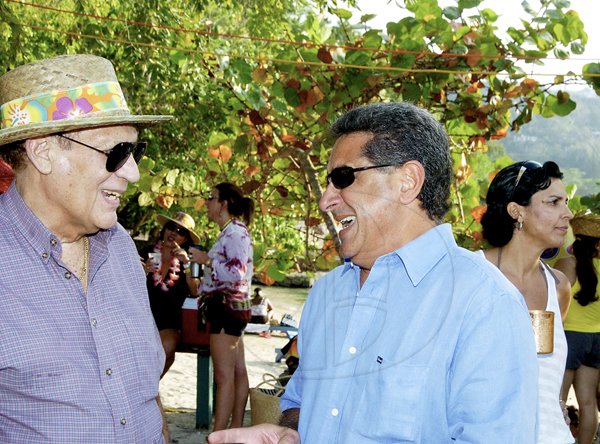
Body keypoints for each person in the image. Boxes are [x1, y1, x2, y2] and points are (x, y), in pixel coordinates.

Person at [208, 102, 539, 444]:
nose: (325, 200)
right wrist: (289, 432)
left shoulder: (483, 303)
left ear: (407, 181)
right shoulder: (327, 293)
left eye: (342, 178)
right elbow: (301, 401)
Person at [0, 54, 172, 442]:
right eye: (116, 153)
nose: (132, 173)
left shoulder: (123, 250)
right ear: (42, 153)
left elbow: (144, 397)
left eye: (135, 152)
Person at [479, 160, 574, 443]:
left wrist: (552, 405)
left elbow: (543, 371)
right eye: (554, 202)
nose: (568, 213)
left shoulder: (558, 287)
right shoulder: (471, 276)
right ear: (516, 211)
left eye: (566, 203)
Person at [189, 182, 254, 431]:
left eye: (211, 197)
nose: (207, 202)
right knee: (237, 372)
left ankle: (218, 435)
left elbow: (237, 272)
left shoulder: (234, 233)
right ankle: (234, 429)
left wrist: (206, 260)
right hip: (234, 309)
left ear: (223, 204)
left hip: (226, 309)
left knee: (224, 377)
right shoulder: (233, 231)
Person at [556, 214, 600, 444]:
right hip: (597, 339)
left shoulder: (567, 264)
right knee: (588, 402)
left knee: (558, 399)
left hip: (571, 337)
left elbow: (553, 297)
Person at [143, 211, 201, 377]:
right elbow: (125, 284)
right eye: (171, 227)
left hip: (169, 320)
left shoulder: (189, 261)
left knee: (167, 348)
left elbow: (195, 291)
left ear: (186, 239)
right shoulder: (146, 251)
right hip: (141, 316)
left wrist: (187, 264)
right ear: (164, 230)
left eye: (181, 231)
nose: (174, 233)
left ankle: (148, 389)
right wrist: (143, 270)